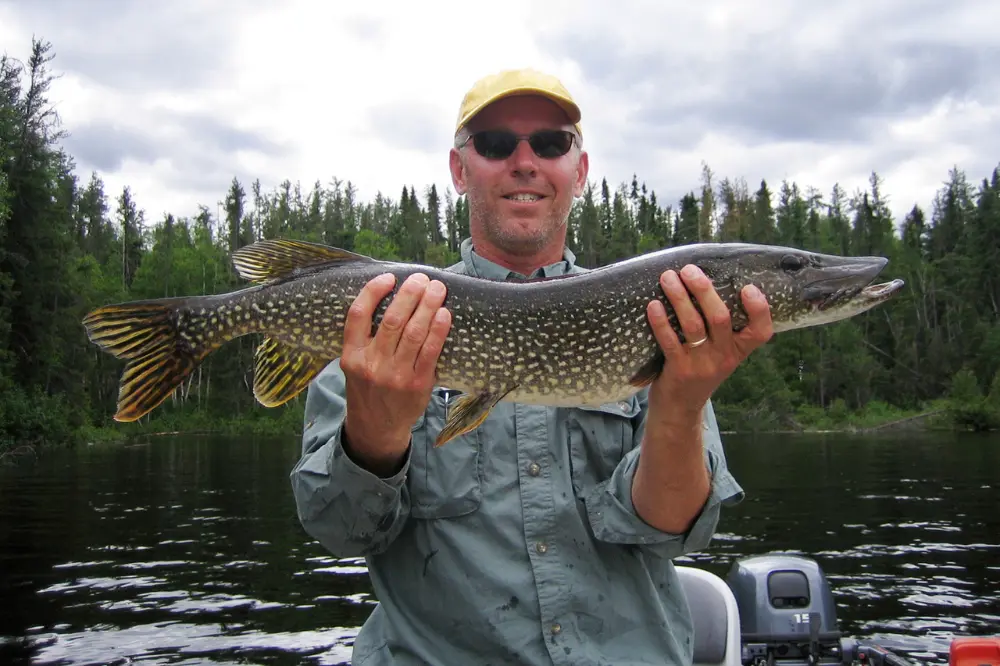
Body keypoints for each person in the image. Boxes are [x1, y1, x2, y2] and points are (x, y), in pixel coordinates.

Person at [290, 68, 774, 666]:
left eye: (550, 143)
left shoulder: (663, 315)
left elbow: (670, 528)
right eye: (496, 144)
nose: (525, 162)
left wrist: (680, 405)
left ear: (580, 170)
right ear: (459, 170)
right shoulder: (388, 319)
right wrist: (375, 435)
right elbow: (340, 532)